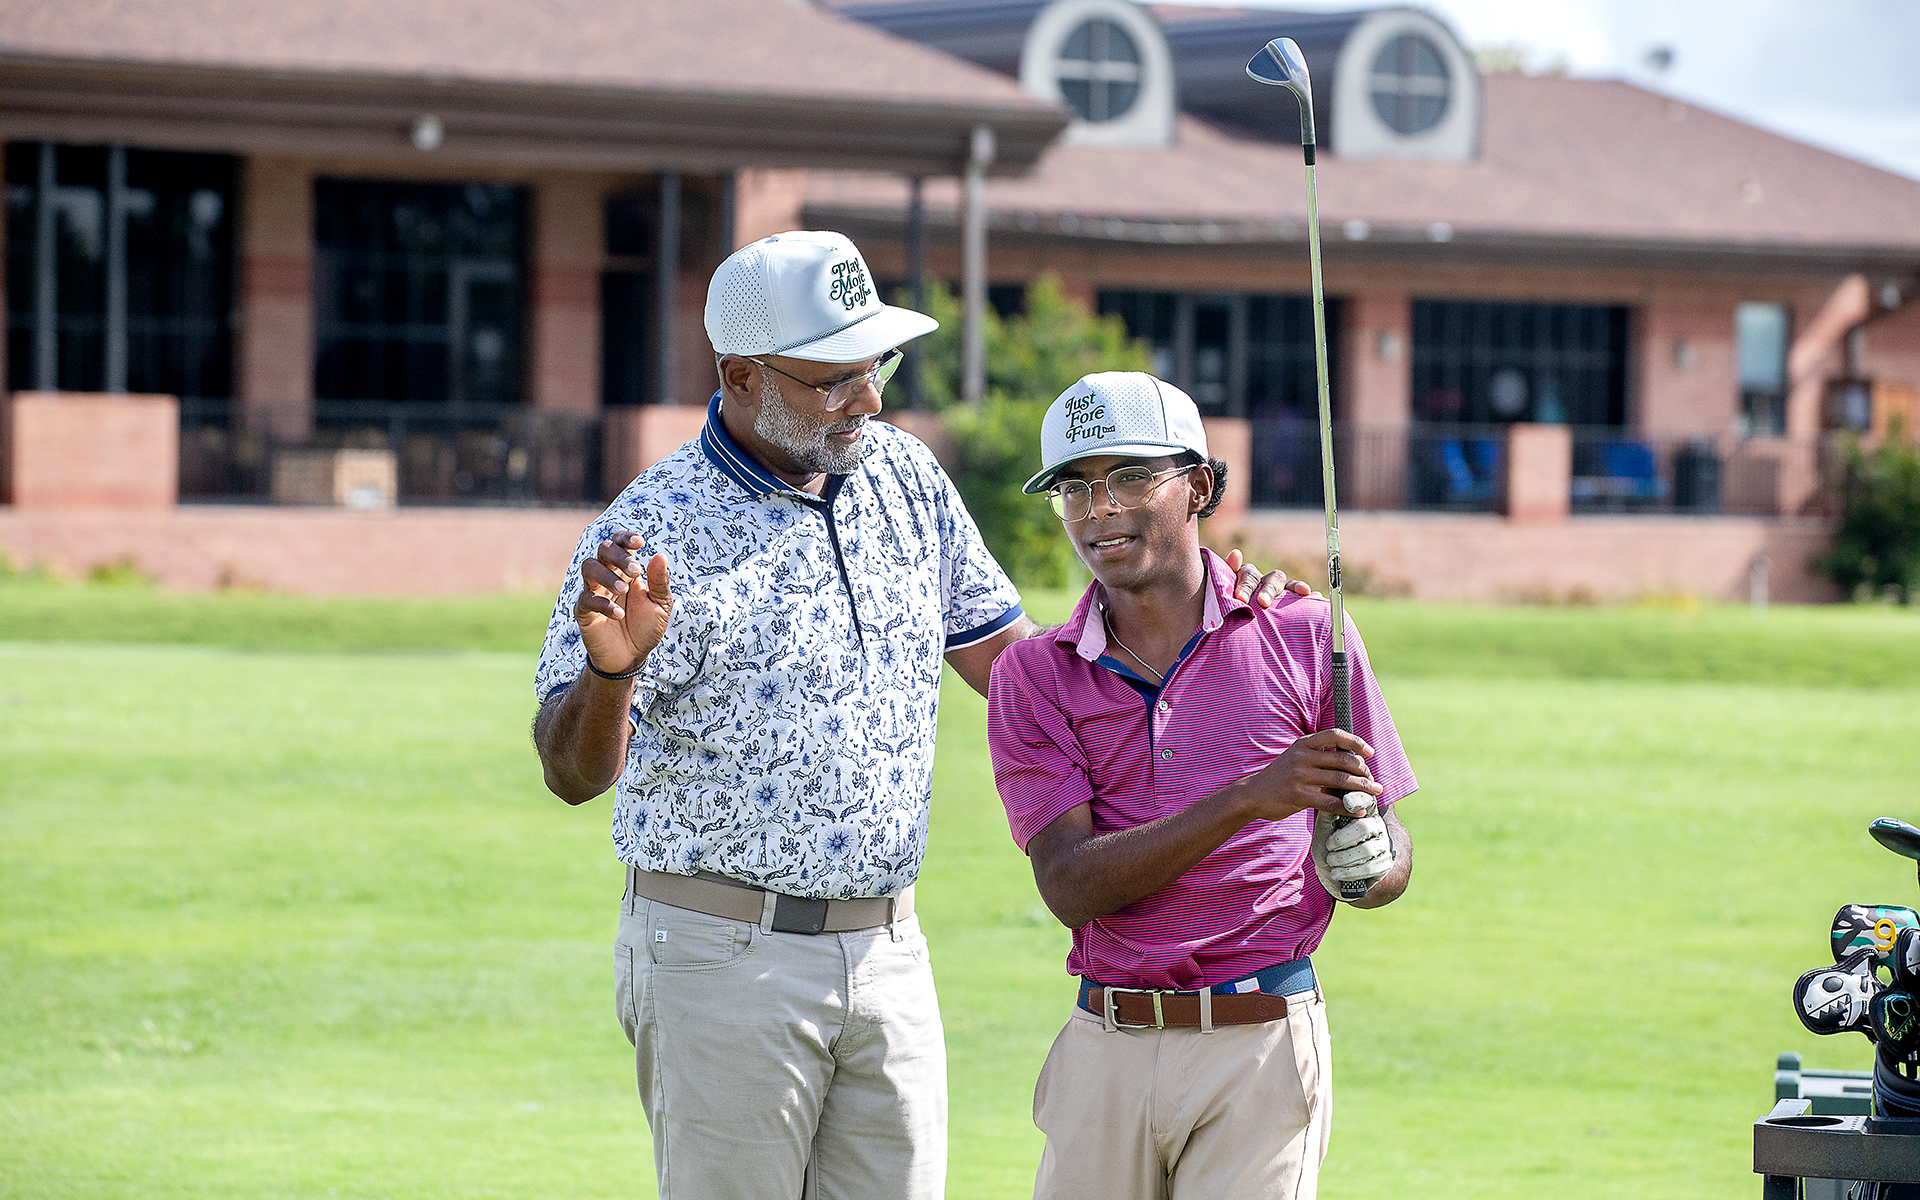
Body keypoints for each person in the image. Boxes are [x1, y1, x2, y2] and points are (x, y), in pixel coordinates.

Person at [532, 233, 1303, 1200]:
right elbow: (571, 773)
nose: (869, 399)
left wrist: (1210, 621)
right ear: (740, 376)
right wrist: (611, 676)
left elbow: (1026, 668)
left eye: (877, 367)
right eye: (835, 380)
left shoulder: (904, 475)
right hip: (720, 955)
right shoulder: (653, 532)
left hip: (888, 951)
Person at [986, 371, 1417, 1200]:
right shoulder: (1033, 675)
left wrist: (1371, 864)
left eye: (1129, 477)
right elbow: (1070, 886)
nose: (1099, 509)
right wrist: (1249, 798)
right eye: (1074, 487)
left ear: (1201, 488)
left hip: (1261, 1044)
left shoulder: (1307, 634)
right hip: (1106, 1044)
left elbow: (1384, 841)